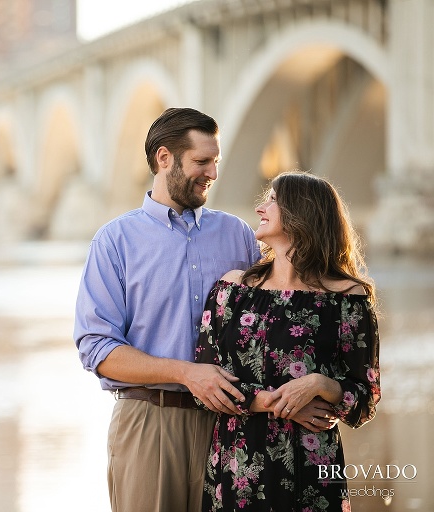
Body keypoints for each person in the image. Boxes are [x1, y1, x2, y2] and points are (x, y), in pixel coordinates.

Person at [75, 108, 332, 512]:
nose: (213, 172)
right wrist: (186, 373)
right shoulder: (115, 242)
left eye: (216, 161)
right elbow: (97, 350)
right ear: (164, 159)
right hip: (151, 424)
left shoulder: (239, 236)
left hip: (239, 426)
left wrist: (302, 392)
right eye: (201, 161)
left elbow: (279, 323)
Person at [195, 170, 381, 511]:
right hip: (238, 466)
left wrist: (319, 384)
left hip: (312, 473)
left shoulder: (348, 298)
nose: (260, 207)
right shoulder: (232, 290)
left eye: (272, 200)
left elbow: (365, 400)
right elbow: (205, 384)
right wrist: (275, 402)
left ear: (300, 213)